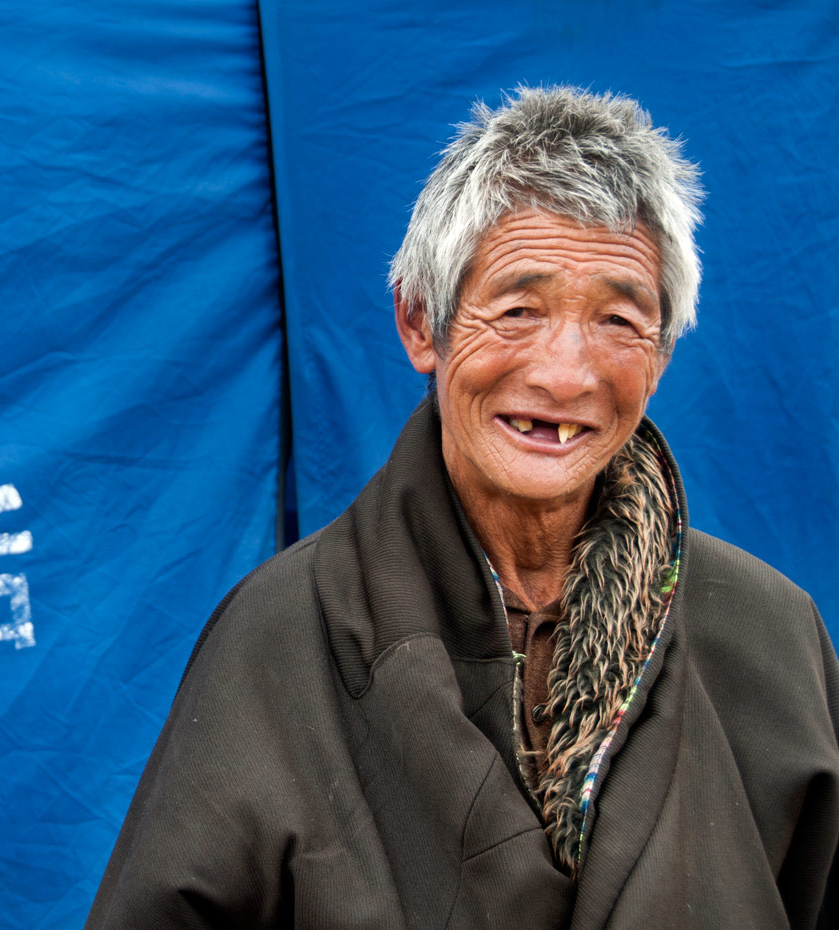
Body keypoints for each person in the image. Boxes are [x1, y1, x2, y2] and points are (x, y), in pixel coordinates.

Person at [85, 87, 839, 929]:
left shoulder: (769, 635)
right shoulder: (283, 640)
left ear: (660, 355)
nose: (565, 375)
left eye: (619, 321)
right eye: (518, 311)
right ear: (421, 325)